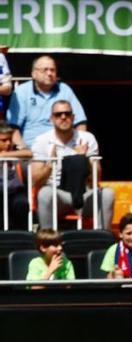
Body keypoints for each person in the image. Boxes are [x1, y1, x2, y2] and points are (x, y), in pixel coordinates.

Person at [32, 100, 115, 230]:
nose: (63, 117)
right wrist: (50, 164)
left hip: (83, 194)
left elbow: (96, 178)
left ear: (73, 117)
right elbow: (35, 181)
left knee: (107, 193)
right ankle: (47, 240)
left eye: (67, 113)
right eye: (58, 114)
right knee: (44, 193)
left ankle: (102, 239)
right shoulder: (42, 140)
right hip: (57, 195)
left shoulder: (87, 138)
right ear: (52, 118)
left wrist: (84, 159)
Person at [7, 55, 88, 148]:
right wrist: (23, 150)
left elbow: (80, 122)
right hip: (32, 151)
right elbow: (13, 127)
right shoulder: (22, 92)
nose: (49, 73)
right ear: (33, 73)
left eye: (52, 70)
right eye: (45, 70)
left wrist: (78, 145)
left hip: (63, 149)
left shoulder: (65, 90)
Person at [0, 123, 32, 231]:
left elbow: (29, 153)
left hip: (15, 192)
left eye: (9, 139)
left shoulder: (14, 151)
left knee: (22, 203)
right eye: (3, 140)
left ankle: (22, 236)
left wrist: (4, 155)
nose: (8, 143)